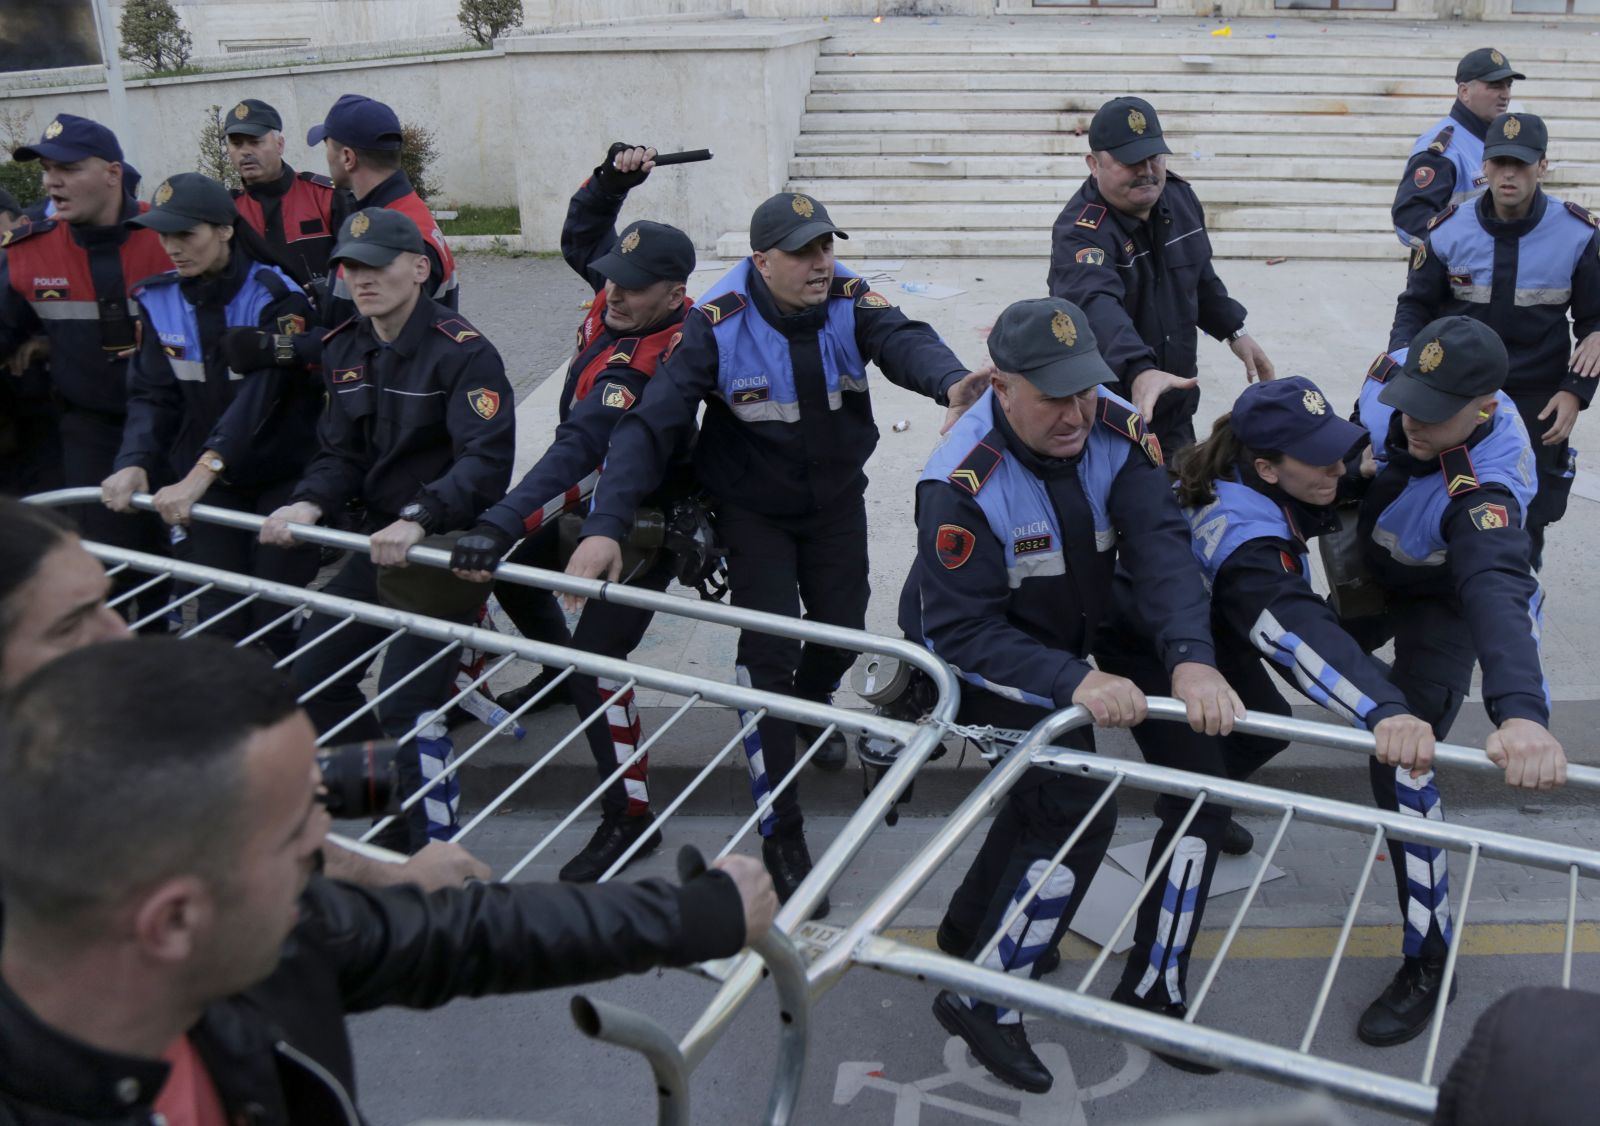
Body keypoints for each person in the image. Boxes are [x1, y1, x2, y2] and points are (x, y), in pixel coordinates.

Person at [0, 636, 777, 1123]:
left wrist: (693, 916)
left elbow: (463, 935)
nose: (333, 855)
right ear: (172, 922)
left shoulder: (254, 941)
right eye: (299, 843)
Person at [566, 190, 987, 916]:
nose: (820, 262)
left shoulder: (849, 293)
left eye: (825, 246)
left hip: (832, 503)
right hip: (752, 509)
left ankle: (804, 710)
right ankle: (781, 833)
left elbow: (901, 338)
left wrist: (950, 380)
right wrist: (605, 524)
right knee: (770, 655)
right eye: (801, 251)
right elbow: (648, 426)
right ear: (761, 260)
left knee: (840, 631)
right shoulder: (716, 322)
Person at [900, 297, 1245, 1093]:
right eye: (1052, 396)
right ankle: (985, 997)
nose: (1076, 413)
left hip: (1085, 609)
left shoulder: (1117, 426)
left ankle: (1151, 989)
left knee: (1205, 781)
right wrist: (1076, 682)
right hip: (990, 643)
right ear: (1001, 387)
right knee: (1071, 808)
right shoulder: (959, 480)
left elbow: (1160, 546)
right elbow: (963, 634)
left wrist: (1191, 659)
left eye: (1084, 389)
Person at [1174, 376, 1471, 1047]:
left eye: (1342, 450)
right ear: (1266, 467)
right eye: (1324, 460)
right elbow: (1300, 634)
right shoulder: (1248, 549)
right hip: (1260, 616)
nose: (1344, 467)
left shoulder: (1256, 471)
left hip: (1452, 605)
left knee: (1405, 779)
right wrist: (1384, 709)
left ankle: (1430, 962)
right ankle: (1205, 806)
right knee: (1260, 732)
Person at [0, 495, 488, 891]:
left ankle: (407, 828)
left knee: (348, 691)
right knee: (312, 683)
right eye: (69, 625)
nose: (120, 634)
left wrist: (316, 498)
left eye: (106, 604)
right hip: (321, 528)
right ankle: (394, 814)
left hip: (373, 531)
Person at [450, 144, 699, 881]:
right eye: (611, 282)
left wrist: (501, 520)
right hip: (588, 499)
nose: (612, 296)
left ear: (675, 292)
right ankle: (562, 672)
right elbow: (582, 242)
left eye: (631, 288)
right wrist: (612, 178)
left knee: (600, 661)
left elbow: (581, 453)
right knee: (519, 579)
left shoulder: (657, 360)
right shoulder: (620, 293)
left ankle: (631, 818)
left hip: (642, 521)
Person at [260, 207, 514, 852]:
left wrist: (422, 516)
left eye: (376, 265)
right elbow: (339, 452)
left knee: (406, 699)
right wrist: (309, 505)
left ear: (420, 269)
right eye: (349, 266)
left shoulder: (465, 351)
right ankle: (399, 813)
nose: (360, 278)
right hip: (377, 544)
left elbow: (484, 461)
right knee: (309, 679)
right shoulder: (346, 343)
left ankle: (426, 854)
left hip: (439, 554)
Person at [1346, 317, 1568, 1031]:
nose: (1413, 421)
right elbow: (1360, 427)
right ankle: (1219, 781)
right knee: (1250, 657)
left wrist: (1521, 713)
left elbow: (1498, 591)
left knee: (1403, 763)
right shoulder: (1398, 379)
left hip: (1447, 593)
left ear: (1487, 406)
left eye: (1436, 415)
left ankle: (1429, 958)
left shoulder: (1490, 488)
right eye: (1412, 399)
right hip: (1373, 564)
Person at [98, 173, 322, 651]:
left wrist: (203, 472)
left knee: (274, 616)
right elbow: (151, 395)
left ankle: (301, 718)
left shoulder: (274, 294)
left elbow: (263, 398)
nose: (172, 247)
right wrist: (133, 461)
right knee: (222, 618)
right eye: (164, 235)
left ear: (224, 230)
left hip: (282, 475)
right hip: (214, 481)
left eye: (185, 234)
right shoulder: (158, 298)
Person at [1389, 113, 1600, 569]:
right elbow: (1415, 305)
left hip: (1536, 395)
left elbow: (1594, 323)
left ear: (1542, 167)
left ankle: (1512, 594)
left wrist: (1575, 392)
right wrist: (1402, 364)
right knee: (1437, 489)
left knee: (1529, 510)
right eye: (1499, 162)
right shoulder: (1445, 230)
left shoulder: (1579, 234)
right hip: (1452, 391)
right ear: (1483, 166)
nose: (1509, 174)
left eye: (1521, 164)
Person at [1047, 96, 1273, 454]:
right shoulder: (1081, 232)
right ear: (1094, 164)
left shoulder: (1179, 199)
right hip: (1110, 412)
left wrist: (1234, 331)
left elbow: (1200, 278)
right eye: (1130, 161)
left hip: (1175, 402)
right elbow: (1094, 306)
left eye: (1154, 156)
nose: (1147, 170)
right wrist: (1139, 370)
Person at [0, 114, 171, 577]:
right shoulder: (24, 253)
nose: (52, 182)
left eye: (69, 169)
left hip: (182, 425)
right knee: (108, 570)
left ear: (113, 173)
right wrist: (38, 344)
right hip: (90, 432)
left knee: (182, 571)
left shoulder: (171, 239)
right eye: (47, 170)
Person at [311, 93, 455, 316]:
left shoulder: (399, 236)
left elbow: (389, 343)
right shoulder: (400, 216)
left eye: (326, 144)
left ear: (347, 158)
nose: (326, 155)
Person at [1392, 47, 1524, 247]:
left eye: (1508, 85)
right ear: (1464, 92)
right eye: (1495, 86)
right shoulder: (1443, 151)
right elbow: (1409, 222)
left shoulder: (1496, 140)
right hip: (1456, 275)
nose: (1505, 95)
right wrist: (1467, 251)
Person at [224, 97, 341, 290]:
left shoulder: (325, 196)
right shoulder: (228, 211)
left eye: (255, 142)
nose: (245, 152)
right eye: (236, 144)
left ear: (280, 144)